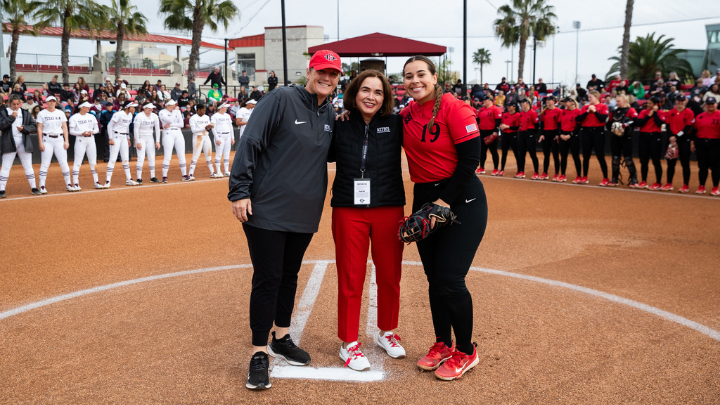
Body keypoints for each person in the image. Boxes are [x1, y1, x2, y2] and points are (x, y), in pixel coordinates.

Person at [228, 49, 341, 390]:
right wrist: (239, 190)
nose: (327, 78)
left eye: (333, 74)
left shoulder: (330, 113)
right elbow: (250, 141)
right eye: (322, 71)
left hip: (305, 211)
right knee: (268, 277)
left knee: (289, 275)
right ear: (309, 71)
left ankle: (282, 336)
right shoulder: (280, 99)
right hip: (266, 209)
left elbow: (330, 151)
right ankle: (260, 352)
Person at [399, 55, 486, 381]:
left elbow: (471, 160)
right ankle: (442, 343)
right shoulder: (406, 114)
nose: (415, 80)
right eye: (409, 76)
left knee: (450, 279)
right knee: (435, 279)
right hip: (426, 200)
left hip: (462, 200)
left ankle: (466, 350)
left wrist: (442, 202)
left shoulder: (455, 108)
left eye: (421, 74)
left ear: (434, 77)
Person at [329, 69, 406, 371]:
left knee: (390, 274)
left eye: (378, 92)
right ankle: (348, 343)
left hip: (389, 206)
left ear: (385, 97)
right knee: (351, 275)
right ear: (354, 93)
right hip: (349, 207)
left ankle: (386, 332)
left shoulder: (397, 123)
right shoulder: (339, 124)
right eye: (365, 90)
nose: (371, 97)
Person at [0, 94, 40, 198]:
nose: (16, 106)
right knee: (6, 166)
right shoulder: (4, 112)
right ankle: (1, 189)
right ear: (9, 103)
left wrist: (24, 128)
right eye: (14, 104)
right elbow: (1, 126)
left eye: (18, 104)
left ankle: (34, 187)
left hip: (24, 141)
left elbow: (33, 126)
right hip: (9, 141)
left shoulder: (25, 112)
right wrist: (11, 118)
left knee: (28, 165)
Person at [35, 96, 72, 193]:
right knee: (45, 163)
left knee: (63, 162)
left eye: (53, 101)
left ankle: (69, 184)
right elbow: (39, 128)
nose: (51, 103)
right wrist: (40, 142)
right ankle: (42, 185)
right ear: (46, 102)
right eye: (49, 101)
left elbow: (64, 127)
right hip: (47, 139)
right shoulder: (42, 113)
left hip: (59, 139)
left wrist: (66, 140)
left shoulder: (60, 113)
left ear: (56, 102)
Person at [576, 90, 610, 186]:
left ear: (596, 97)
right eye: (589, 97)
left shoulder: (603, 106)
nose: (589, 99)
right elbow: (578, 119)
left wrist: (594, 111)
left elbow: (603, 119)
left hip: (598, 132)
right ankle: (585, 176)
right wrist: (587, 111)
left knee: (600, 155)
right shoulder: (585, 107)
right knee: (586, 156)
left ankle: (605, 178)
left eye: (591, 97)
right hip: (586, 132)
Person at [104, 101, 140, 188]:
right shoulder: (118, 114)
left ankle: (129, 179)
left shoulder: (130, 115)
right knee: (113, 158)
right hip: (116, 136)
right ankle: (107, 181)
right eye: (132, 107)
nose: (134, 108)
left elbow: (127, 127)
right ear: (127, 107)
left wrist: (128, 138)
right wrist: (110, 138)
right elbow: (109, 126)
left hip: (124, 137)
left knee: (125, 158)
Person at [606, 94, 639, 187]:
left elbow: (636, 121)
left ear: (625, 101)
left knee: (628, 159)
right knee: (615, 159)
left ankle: (634, 179)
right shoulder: (613, 112)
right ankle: (614, 179)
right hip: (615, 138)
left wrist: (626, 124)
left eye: (619, 101)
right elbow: (608, 124)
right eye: (616, 101)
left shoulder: (631, 110)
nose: (617, 103)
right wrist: (613, 127)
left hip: (626, 138)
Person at [68, 102, 102, 191]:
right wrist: (81, 133)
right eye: (87, 107)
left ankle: (96, 181)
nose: (89, 108)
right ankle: (75, 182)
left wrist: (92, 132)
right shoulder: (74, 117)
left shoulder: (91, 116)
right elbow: (71, 131)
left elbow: (97, 129)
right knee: (78, 162)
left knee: (93, 161)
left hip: (91, 140)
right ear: (82, 107)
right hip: (80, 140)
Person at [635, 97, 667, 190]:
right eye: (647, 103)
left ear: (655, 104)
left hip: (655, 137)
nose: (647, 105)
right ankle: (644, 181)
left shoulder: (661, 112)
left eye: (650, 103)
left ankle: (658, 182)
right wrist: (649, 115)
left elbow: (659, 123)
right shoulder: (643, 112)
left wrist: (655, 112)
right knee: (643, 161)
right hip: (643, 137)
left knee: (656, 161)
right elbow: (639, 123)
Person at [665, 96, 695, 193]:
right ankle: (669, 183)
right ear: (676, 101)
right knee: (670, 163)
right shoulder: (670, 112)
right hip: (672, 139)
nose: (680, 102)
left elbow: (688, 128)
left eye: (682, 101)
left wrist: (676, 137)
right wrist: (671, 138)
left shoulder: (689, 112)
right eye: (679, 100)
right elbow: (667, 126)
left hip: (683, 140)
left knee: (685, 163)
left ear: (685, 101)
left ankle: (686, 185)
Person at [691, 97, 720, 195]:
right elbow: (694, 131)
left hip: (715, 143)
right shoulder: (700, 116)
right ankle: (701, 186)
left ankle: (715, 187)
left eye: (712, 103)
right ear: (705, 105)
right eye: (708, 104)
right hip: (701, 143)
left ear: (716, 104)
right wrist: (692, 142)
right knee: (702, 167)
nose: (710, 105)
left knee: (715, 167)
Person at [158, 100, 189, 183]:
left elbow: (181, 124)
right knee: (168, 155)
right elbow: (169, 120)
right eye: (172, 105)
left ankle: (184, 175)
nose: (174, 106)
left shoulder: (177, 112)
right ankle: (164, 176)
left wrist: (171, 124)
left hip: (178, 132)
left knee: (181, 154)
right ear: (167, 105)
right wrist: (175, 112)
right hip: (168, 133)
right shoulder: (162, 112)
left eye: (174, 105)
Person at [133, 103, 162, 184]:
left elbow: (157, 129)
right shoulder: (139, 116)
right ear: (145, 108)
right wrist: (137, 142)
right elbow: (136, 130)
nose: (151, 109)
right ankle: (139, 178)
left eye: (152, 108)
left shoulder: (155, 116)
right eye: (149, 108)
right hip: (141, 137)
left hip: (150, 138)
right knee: (141, 157)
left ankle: (153, 176)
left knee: (151, 157)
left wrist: (157, 141)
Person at [475, 94, 502, 175]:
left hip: (491, 132)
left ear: (490, 101)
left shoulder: (495, 109)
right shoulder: (481, 110)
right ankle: (482, 167)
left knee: (493, 151)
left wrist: (495, 131)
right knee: (482, 151)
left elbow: (498, 121)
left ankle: (496, 169)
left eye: (485, 100)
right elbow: (478, 121)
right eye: (483, 100)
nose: (484, 101)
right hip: (482, 132)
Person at [187, 104, 216, 180]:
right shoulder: (193, 118)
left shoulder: (206, 117)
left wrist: (209, 127)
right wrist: (205, 128)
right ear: (198, 110)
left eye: (204, 110)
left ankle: (212, 172)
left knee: (208, 155)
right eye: (203, 110)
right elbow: (193, 130)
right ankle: (190, 174)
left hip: (206, 136)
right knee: (195, 155)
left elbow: (208, 128)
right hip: (198, 137)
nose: (204, 111)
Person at [558, 97, 582, 183]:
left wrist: (570, 135)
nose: (565, 103)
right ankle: (563, 175)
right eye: (564, 102)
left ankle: (578, 176)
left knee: (575, 156)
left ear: (571, 102)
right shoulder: (563, 112)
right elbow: (559, 124)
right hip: (563, 136)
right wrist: (560, 134)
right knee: (563, 156)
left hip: (573, 136)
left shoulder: (578, 112)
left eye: (566, 102)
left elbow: (578, 126)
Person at [516, 98, 540, 179]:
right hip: (522, 133)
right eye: (521, 103)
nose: (522, 105)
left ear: (528, 104)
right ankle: (521, 171)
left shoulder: (533, 113)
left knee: (533, 154)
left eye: (524, 103)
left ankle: (536, 172)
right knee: (521, 154)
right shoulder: (521, 113)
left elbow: (536, 125)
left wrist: (532, 133)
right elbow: (520, 124)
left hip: (530, 133)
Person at [211, 102, 235, 177]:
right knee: (219, 153)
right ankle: (218, 171)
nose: (226, 108)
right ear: (221, 107)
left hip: (227, 135)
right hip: (220, 135)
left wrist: (232, 137)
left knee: (227, 153)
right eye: (225, 107)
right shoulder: (215, 116)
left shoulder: (227, 116)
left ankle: (226, 170)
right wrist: (217, 138)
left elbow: (231, 127)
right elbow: (213, 128)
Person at [498, 101, 521, 176]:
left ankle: (519, 170)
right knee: (504, 153)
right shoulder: (505, 114)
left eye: (510, 106)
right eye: (508, 106)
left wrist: (507, 126)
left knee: (516, 153)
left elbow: (517, 127)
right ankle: (502, 169)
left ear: (514, 107)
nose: (508, 107)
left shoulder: (518, 115)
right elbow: (502, 124)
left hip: (513, 135)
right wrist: (502, 126)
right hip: (505, 135)